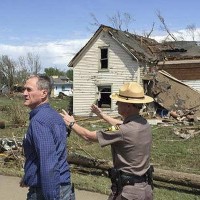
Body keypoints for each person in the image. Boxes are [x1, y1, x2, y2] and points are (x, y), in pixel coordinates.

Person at [60, 82, 154, 200]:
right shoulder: (143, 124)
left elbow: (88, 136)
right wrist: (102, 115)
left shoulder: (123, 131)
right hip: (145, 189)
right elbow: (121, 125)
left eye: (119, 102)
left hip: (128, 192)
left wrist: (71, 123)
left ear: (128, 106)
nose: (117, 104)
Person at [20, 75, 75, 200]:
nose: (24, 93)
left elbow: (48, 161)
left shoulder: (39, 121)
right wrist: (29, 176)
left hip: (48, 190)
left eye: (29, 89)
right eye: (24, 89)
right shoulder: (53, 115)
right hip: (60, 186)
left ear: (44, 93)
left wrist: (51, 196)